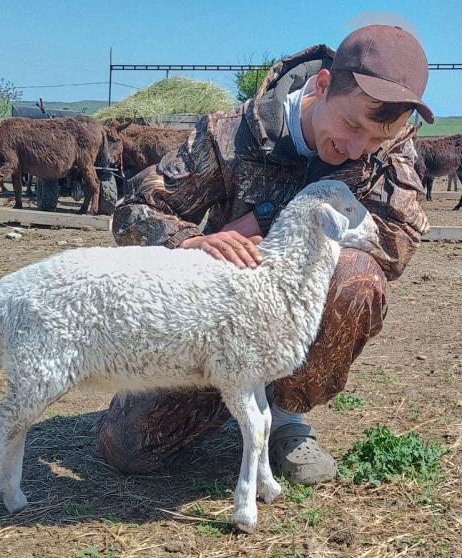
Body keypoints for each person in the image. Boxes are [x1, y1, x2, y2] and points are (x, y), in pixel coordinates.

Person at [99, 25, 433, 485]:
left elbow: (397, 243)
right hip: (221, 323)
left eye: (374, 140)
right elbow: (133, 209)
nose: (357, 150)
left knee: (359, 278)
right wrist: (189, 242)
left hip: (296, 331)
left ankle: (283, 414)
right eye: (352, 125)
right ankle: (226, 399)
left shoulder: (388, 146)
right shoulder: (232, 134)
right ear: (322, 87)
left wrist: (267, 222)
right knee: (128, 446)